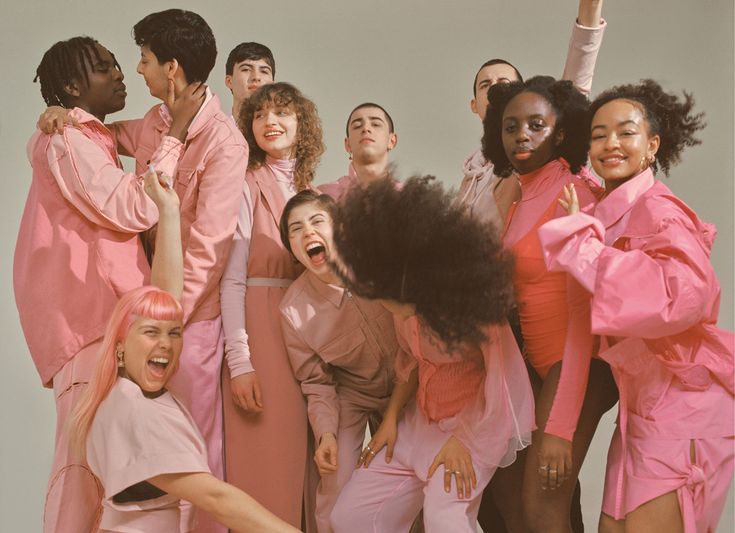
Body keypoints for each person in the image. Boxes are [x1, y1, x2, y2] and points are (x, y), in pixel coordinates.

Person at [37, 19, 248, 530]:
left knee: (188, 456)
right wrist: (59, 113)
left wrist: (166, 322)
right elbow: (99, 138)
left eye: (145, 59)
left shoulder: (225, 143)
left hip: (188, 320)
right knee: (125, 457)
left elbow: (209, 250)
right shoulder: (155, 121)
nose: (136, 69)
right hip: (140, 318)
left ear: (170, 68)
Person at [14, 35, 200, 533]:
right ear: (73, 85)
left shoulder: (87, 137)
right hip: (88, 328)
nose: (120, 75)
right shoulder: (66, 140)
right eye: (104, 68)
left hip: (112, 324)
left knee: (120, 468)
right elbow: (135, 206)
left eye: (121, 66)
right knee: (81, 471)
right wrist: (177, 133)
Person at [538, 80, 734, 533]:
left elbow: (682, 296)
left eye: (626, 132)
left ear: (652, 146)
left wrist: (582, 244)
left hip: (683, 406)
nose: (610, 143)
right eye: (599, 134)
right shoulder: (604, 214)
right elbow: (581, 323)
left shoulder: (660, 211)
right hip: (642, 409)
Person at [69, 170, 300, 533]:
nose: (166, 343)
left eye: (175, 334)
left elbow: (168, 297)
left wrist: (169, 210)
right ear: (119, 348)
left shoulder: (133, 395)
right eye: (150, 333)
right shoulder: (132, 408)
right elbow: (216, 499)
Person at [329, 177, 535, 533]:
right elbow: (412, 364)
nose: (393, 313)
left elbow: (505, 386)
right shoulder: (400, 307)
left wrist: (464, 440)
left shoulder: (474, 312)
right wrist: (391, 418)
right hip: (417, 423)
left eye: (394, 305)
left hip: (474, 427)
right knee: (348, 516)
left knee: (445, 520)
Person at [482, 75, 618, 532]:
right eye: (510, 125)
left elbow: (586, 316)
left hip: (579, 360)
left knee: (542, 503)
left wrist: (559, 426)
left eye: (535, 124)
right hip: (539, 367)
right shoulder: (519, 194)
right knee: (512, 501)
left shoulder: (572, 192)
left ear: (560, 133)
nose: (521, 134)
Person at [220, 82, 325, 529]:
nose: (270, 122)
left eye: (282, 113)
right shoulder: (247, 183)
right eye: (260, 115)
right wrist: (240, 362)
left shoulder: (313, 192)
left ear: (302, 125)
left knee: (314, 465)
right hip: (262, 332)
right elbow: (232, 278)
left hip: (308, 332)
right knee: (268, 463)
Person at [278, 190, 400, 533]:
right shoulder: (292, 310)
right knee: (332, 482)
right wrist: (326, 434)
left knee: (416, 475)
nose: (307, 233)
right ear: (293, 250)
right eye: (295, 229)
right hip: (354, 393)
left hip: (414, 384)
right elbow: (316, 383)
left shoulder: (379, 263)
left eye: (317, 222)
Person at [459, 0, 606, 229]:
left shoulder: (534, 149)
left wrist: (590, 12)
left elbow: (573, 90)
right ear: (473, 105)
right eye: (485, 84)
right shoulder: (472, 172)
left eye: (504, 83)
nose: (494, 89)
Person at [319, 102, 397, 201]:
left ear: (392, 141)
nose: (366, 129)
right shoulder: (324, 196)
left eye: (376, 124)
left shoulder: (408, 198)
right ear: (348, 145)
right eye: (357, 126)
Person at [225, 41, 276, 118]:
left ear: (273, 85)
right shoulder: (213, 129)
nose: (256, 77)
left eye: (264, 71)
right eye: (246, 69)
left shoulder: (285, 128)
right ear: (229, 81)